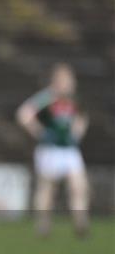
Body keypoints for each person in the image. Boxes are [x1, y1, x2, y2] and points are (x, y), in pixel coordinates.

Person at [16, 63, 89, 238]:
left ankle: (81, 226)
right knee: (47, 190)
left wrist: (77, 132)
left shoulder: (73, 99)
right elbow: (24, 114)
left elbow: (82, 117)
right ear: (58, 81)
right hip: (49, 150)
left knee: (79, 187)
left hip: (70, 150)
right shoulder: (47, 97)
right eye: (68, 80)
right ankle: (43, 227)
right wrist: (39, 132)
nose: (72, 83)